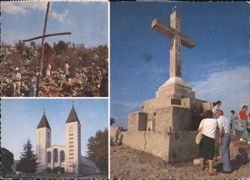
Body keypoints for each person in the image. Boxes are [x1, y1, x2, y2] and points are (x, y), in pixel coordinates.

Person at [198, 110, 217, 176]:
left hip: (204, 137)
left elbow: (199, 129)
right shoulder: (215, 121)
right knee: (210, 154)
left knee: (203, 151)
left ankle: (202, 163)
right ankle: (210, 171)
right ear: (211, 115)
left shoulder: (203, 121)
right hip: (211, 139)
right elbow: (217, 128)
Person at [216, 109, 232, 173]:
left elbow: (221, 129)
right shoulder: (226, 118)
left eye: (216, 113)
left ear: (218, 113)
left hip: (224, 136)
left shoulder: (219, 119)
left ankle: (227, 169)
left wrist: (220, 138)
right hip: (228, 135)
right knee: (226, 152)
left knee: (224, 153)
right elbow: (230, 127)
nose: (215, 114)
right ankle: (228, 167)